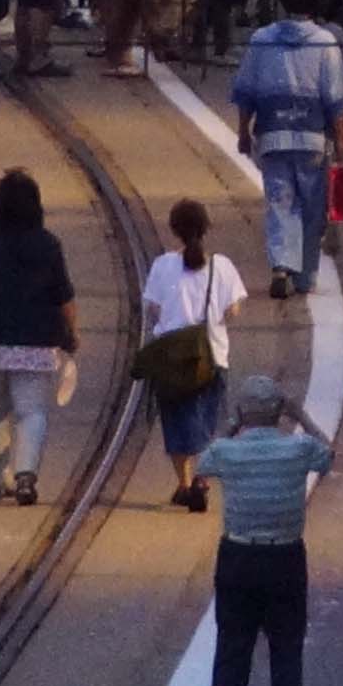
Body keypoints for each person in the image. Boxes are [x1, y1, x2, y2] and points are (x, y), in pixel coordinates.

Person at [189, 373, 333, 686]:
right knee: (286, 651)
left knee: (232, 647)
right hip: (285, 556)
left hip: (238, 554)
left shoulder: (228, 452)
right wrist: (299, 413)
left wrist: (234, 424)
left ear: (243, 413)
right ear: (278, 412)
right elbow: (328, 453)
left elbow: (202, 460)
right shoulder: (299, 448)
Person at [0, 166, 81, 505]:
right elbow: (64, 296)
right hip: (37, 344)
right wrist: (73, 333)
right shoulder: (48, 244)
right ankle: (25, 475)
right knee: (31, 411)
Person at [232, 0, 343, 294]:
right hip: (313, 137)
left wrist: (243, 132)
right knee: (313, 207)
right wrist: (340, 141)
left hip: (272, 134)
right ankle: (306, 274)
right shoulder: (325, 42)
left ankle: (281, 266)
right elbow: (336, 98)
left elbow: (246, 91)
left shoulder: (262, 39)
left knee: (279, 201)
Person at [135, 199, 247, 511]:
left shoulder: (162, 265)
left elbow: (154, 308)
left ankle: (184, 483)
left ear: (175, 231)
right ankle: (203, 479)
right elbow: (233, 309)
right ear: (206, 228)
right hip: (212, 356)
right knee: (208, 423)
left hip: (171, 358)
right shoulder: (222, 266)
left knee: (176, 422)